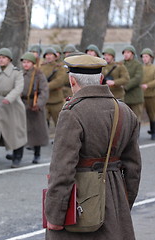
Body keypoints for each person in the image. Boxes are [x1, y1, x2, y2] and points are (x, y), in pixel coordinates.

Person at [45, 54, 141, 239]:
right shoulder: (125, 111)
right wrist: (123, 205)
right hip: (115, 199)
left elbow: (62, 170)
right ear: (101, 79)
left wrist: (55, 216)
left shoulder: (72, 113)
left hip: (82, 203)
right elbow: (133, 169)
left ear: (72, 80)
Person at [0, 48, 27, 168]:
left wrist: (9, 98)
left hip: (13, 106)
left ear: (9, 59)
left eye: (4, 58)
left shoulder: (16, 72)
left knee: (15, 132)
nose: (1, 60)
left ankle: (17, 157)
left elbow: (18, 88)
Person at [20, 52, 49, 164]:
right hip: (22, 103)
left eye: (28, 62)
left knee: (37, 131)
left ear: (33, 63)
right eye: (24, 62)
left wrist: (39, 104)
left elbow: (44, 91)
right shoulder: (20, 74)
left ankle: (37, 154)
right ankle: (18, 153)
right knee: (21, 130)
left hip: (34, 104)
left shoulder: (39, 75)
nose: (26, 64)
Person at [40, 47, 67, 126]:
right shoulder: (41, 68)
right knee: (42, 125)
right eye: (47, 55)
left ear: (55, 56)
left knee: (60, 125)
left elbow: (59, 81)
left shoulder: (59, 67)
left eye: (51, 55)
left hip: (56, 100)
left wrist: (45, 87)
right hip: (44, 100)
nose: (48, 57)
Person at [122, 45, 144, 120]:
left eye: (128, 52)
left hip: (135, 97)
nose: (125, 54)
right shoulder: (120, 64)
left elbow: (138, 78)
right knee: (125, 120)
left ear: (132, 54)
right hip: (124, 97)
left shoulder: (138, 65)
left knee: (136, 119)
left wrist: (125, 86)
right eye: (124, 52)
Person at [140, 48, 155, 140]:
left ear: (151, 58)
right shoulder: (140, 68)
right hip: (140, 95)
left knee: (152, 113)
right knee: (138, 114)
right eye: (143, 57)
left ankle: (153, 131)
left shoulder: (153, 68)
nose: (144, 58)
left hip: (151, 95)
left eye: (146, 56)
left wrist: (148, 85)